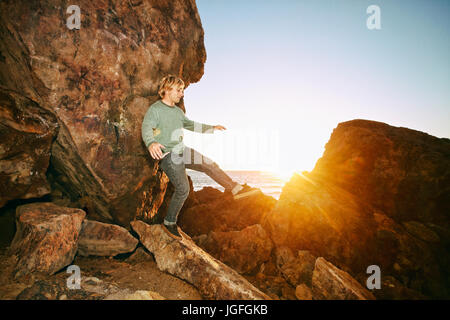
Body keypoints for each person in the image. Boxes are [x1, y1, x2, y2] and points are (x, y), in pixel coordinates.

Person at [141, 75, 259, 240]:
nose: (182, 94)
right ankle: (169, 222)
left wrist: (211, 127)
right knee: (183, 190)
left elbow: (191, 125)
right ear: (167, 89)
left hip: (182, 150)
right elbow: (147, 127)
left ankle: (234, 188)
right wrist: (151, 142)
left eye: (182, 90)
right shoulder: (155, 110)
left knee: (209, 164)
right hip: (168, 156)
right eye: (179, 90)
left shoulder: (178, 112)